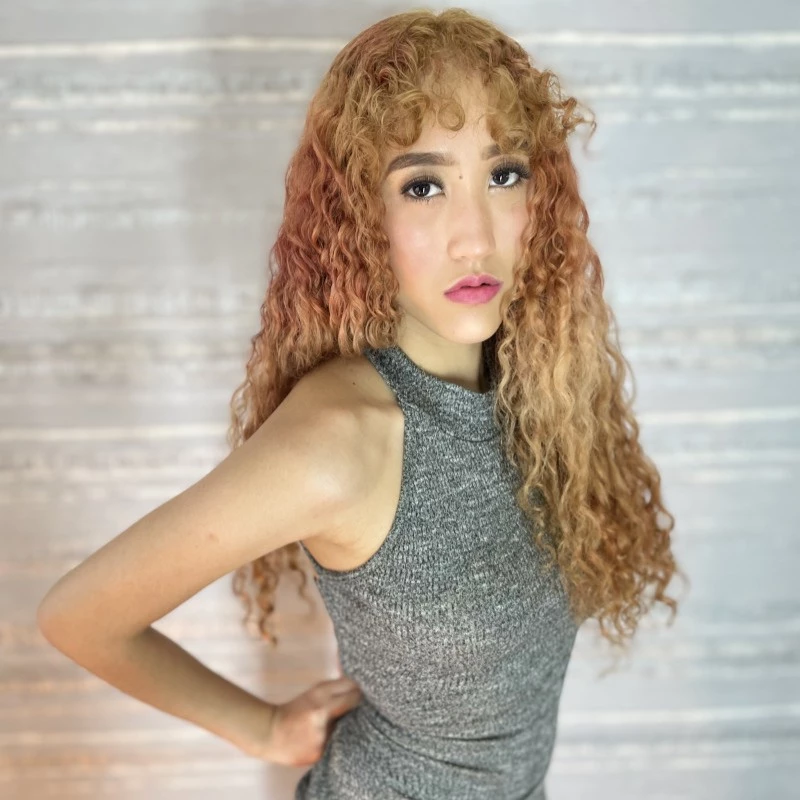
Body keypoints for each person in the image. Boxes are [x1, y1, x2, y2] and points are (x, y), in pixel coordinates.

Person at [36, 8, 687, 799]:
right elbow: (80, 616)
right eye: (423, 186)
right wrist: (264, 729)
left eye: (503, 174)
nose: (475, 236)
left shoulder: (538, 395)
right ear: (359, 214)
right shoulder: (342, 439)